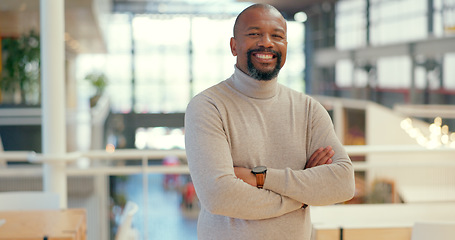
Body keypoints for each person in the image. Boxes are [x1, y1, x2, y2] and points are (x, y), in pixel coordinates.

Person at [184, 3, 355, 240]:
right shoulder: (208, 106)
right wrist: (304, 196)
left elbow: (343, 184)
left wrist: (259, 178)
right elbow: (219, 196)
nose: (267, 42)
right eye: (254, 34)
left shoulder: (309, 110)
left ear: (286, 46)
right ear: (234, 46)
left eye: (277, 36)